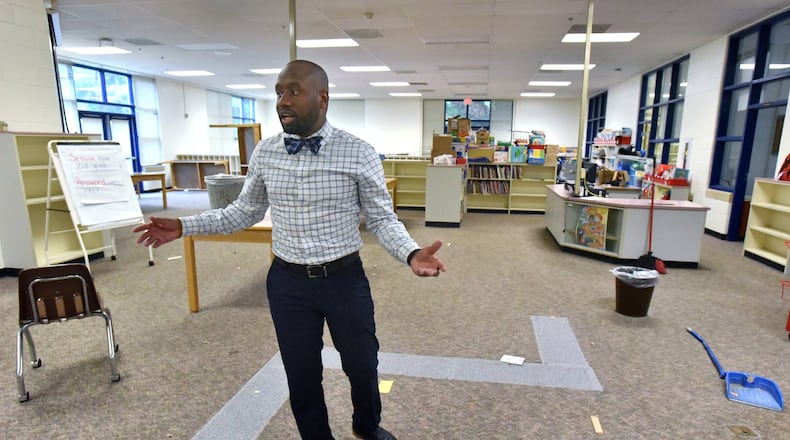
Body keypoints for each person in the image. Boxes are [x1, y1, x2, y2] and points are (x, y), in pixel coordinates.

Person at [133, 59, 446, 440]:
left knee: (362, 364)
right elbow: (243, 212)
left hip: (343, 279)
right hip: (288, 283)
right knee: (301, 375)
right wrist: (184, 226)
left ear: (322, 98)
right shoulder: (266, 153)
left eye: (294, 91)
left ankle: (367, 426)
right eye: (279, 92)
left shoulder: (358, 152)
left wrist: (411, 253)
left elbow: (381, 218)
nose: (283, 101)